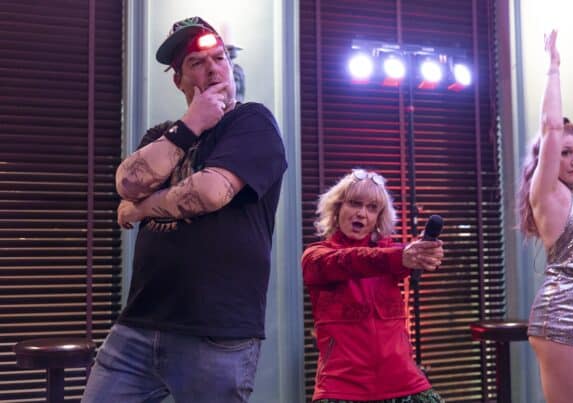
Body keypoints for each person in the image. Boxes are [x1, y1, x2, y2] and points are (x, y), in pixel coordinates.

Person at [81, 16, 287, 403]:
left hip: (216, 332)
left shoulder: (252, 122)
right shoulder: (163, 136)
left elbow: (210, 192)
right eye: (196, 62)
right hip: (139, 324)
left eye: (219, 58)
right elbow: (127, 183)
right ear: (179, 81)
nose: (213, 68)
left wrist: (142, 209)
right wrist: (192, 123)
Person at [302, 168, 445, 403]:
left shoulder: (391, 254)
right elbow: (350, 261)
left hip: (404, 382)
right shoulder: (316, 256)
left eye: (372, 208)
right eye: (354, 203)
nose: (362, 213)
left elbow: (405, 257)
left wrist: (425, 253)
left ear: (379, 219)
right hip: (341, 388)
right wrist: (401, 256)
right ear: (337, 208)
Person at [518, 29, 573, 403]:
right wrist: (553, 68)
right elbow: (551, 127)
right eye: (566, 153)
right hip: (563, 312)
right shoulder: (548, 191)